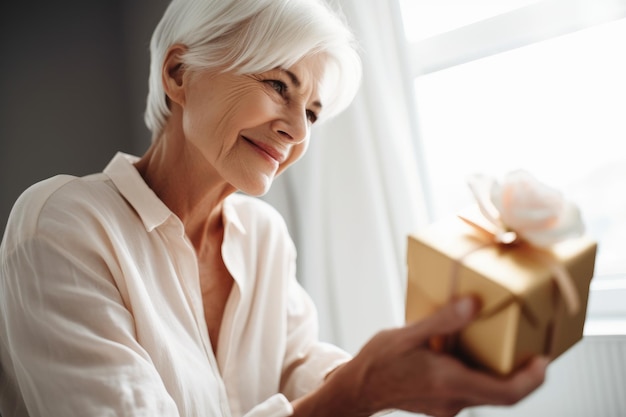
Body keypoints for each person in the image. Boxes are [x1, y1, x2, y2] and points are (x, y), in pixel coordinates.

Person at [0, 0, 548, 416]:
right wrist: (360, 390)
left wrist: (415, 363)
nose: (294, 129)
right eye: (275, 84)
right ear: (178, 74)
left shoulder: (263, 236)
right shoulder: (61, 226)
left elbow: (298, 365)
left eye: (311, 111)